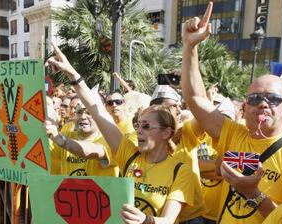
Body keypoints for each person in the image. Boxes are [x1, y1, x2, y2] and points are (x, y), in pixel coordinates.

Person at [46, 42, 206, 224]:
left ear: (166, 133)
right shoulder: (129, 155)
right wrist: (73, 75)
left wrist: (146, 220)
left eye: (146, 127)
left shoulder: (180, 171)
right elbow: (97, 109)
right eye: (138, 125)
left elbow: (168, 220)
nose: (138, 131)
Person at [181, 2, 282, 223]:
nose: (263, 104)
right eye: (255, 99)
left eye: (273, 99)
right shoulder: (235, 134)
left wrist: (253, 193)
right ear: (245, 107)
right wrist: (190, 47)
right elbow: (196, 99)